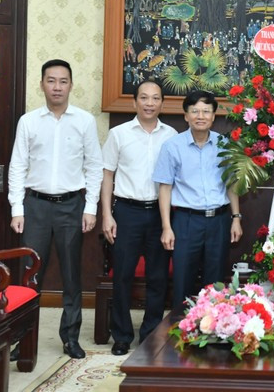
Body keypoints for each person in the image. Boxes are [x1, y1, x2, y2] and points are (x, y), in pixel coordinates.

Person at [9, 59, 103, 359]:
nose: (57, 87)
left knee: (72, 276)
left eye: (63, 81)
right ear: (42, 84)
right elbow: (17, 166)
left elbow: (94, 167)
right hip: (34, 206)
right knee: (29, 275)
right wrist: (16, 209)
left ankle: (70, 338)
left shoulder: (85, 121)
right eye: (51, 81)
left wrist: (90, 208)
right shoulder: (28, 121)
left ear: (71, 85)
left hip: (71, 207)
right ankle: (22, 339)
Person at [101, 79, 177, 356]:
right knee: (122, 275)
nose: (149, 103)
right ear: (134, 102)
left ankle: (150, 333)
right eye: (143, 98)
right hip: (126, 212)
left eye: (155, 98)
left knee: (158, 277)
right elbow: (107, 175)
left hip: (160, 213)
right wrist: (107, 215)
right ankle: (121, 335)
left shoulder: (172, 136)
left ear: (161, 103)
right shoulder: (118, 134)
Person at [152, 90, 243, 308]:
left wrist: (236, 218)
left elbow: (231, 184)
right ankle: (179, 332)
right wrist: (166, 226)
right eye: (195, 111)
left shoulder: (224, 145)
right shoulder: (172, 146)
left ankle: (215, 331)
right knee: (183, 279)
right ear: (186, 116)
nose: (200, 116)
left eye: (206, 111)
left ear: (213, 116)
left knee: (216, 283)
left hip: (219, 221)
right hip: (186, 221)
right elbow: (164, 188)